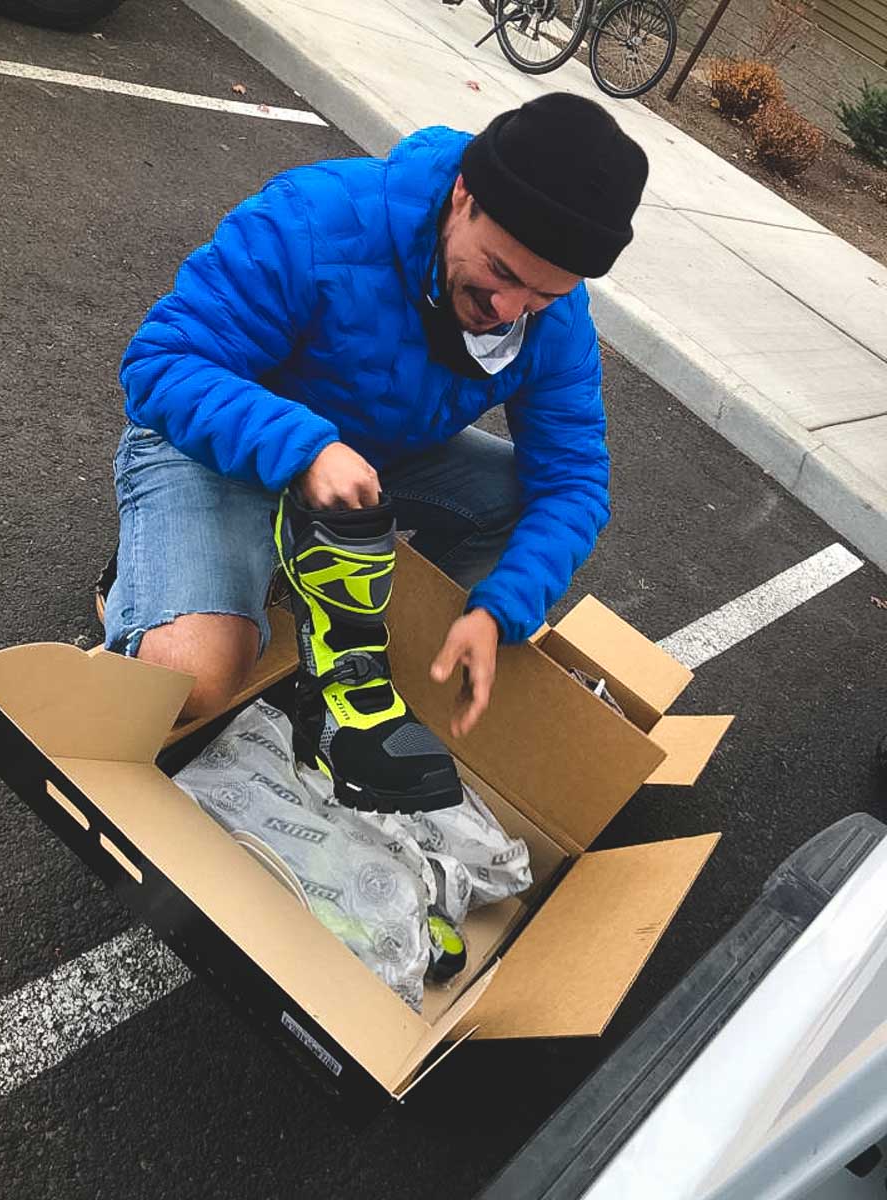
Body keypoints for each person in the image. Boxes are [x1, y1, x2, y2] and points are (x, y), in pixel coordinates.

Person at [102, 93, 648, 754]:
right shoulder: (316, 217)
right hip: (216, 447)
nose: (508, 310)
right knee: (192, 679)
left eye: (542, 294)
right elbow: (163, 363)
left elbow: (574, 482)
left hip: (369, 460)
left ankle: (360, 630)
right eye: (500, 271)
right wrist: (305, 450)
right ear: (464, 195)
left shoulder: (557, 320)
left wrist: (499, 608)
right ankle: (150, 580)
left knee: (518, 497)